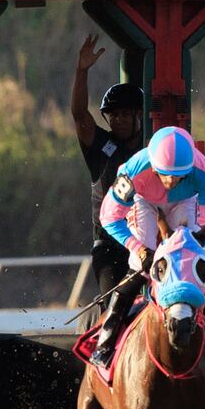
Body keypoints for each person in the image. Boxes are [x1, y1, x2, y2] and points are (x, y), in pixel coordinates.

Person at [89, 124, 205, 371]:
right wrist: (139, 249)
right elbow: (109, 216)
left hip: (185, 202)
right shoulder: (134, 170)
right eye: (165, 174)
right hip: (143, 202)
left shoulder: (204, 171)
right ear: (154, 166)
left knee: (191, 264)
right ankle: (105, 343)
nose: (171, 181)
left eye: (179, 176)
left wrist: (194, 244)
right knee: (140, 266)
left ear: (190, 168)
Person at [68, 37, 144, 303]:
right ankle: (105, 329)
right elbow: (79, 114)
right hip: (109, 247)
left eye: (125, 114)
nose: (118, 120)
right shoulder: (99, 146)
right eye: (113, 115)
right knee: (114, 304)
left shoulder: (152, 149)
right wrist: (82, 70)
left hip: (147, 245)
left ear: (139, 115)